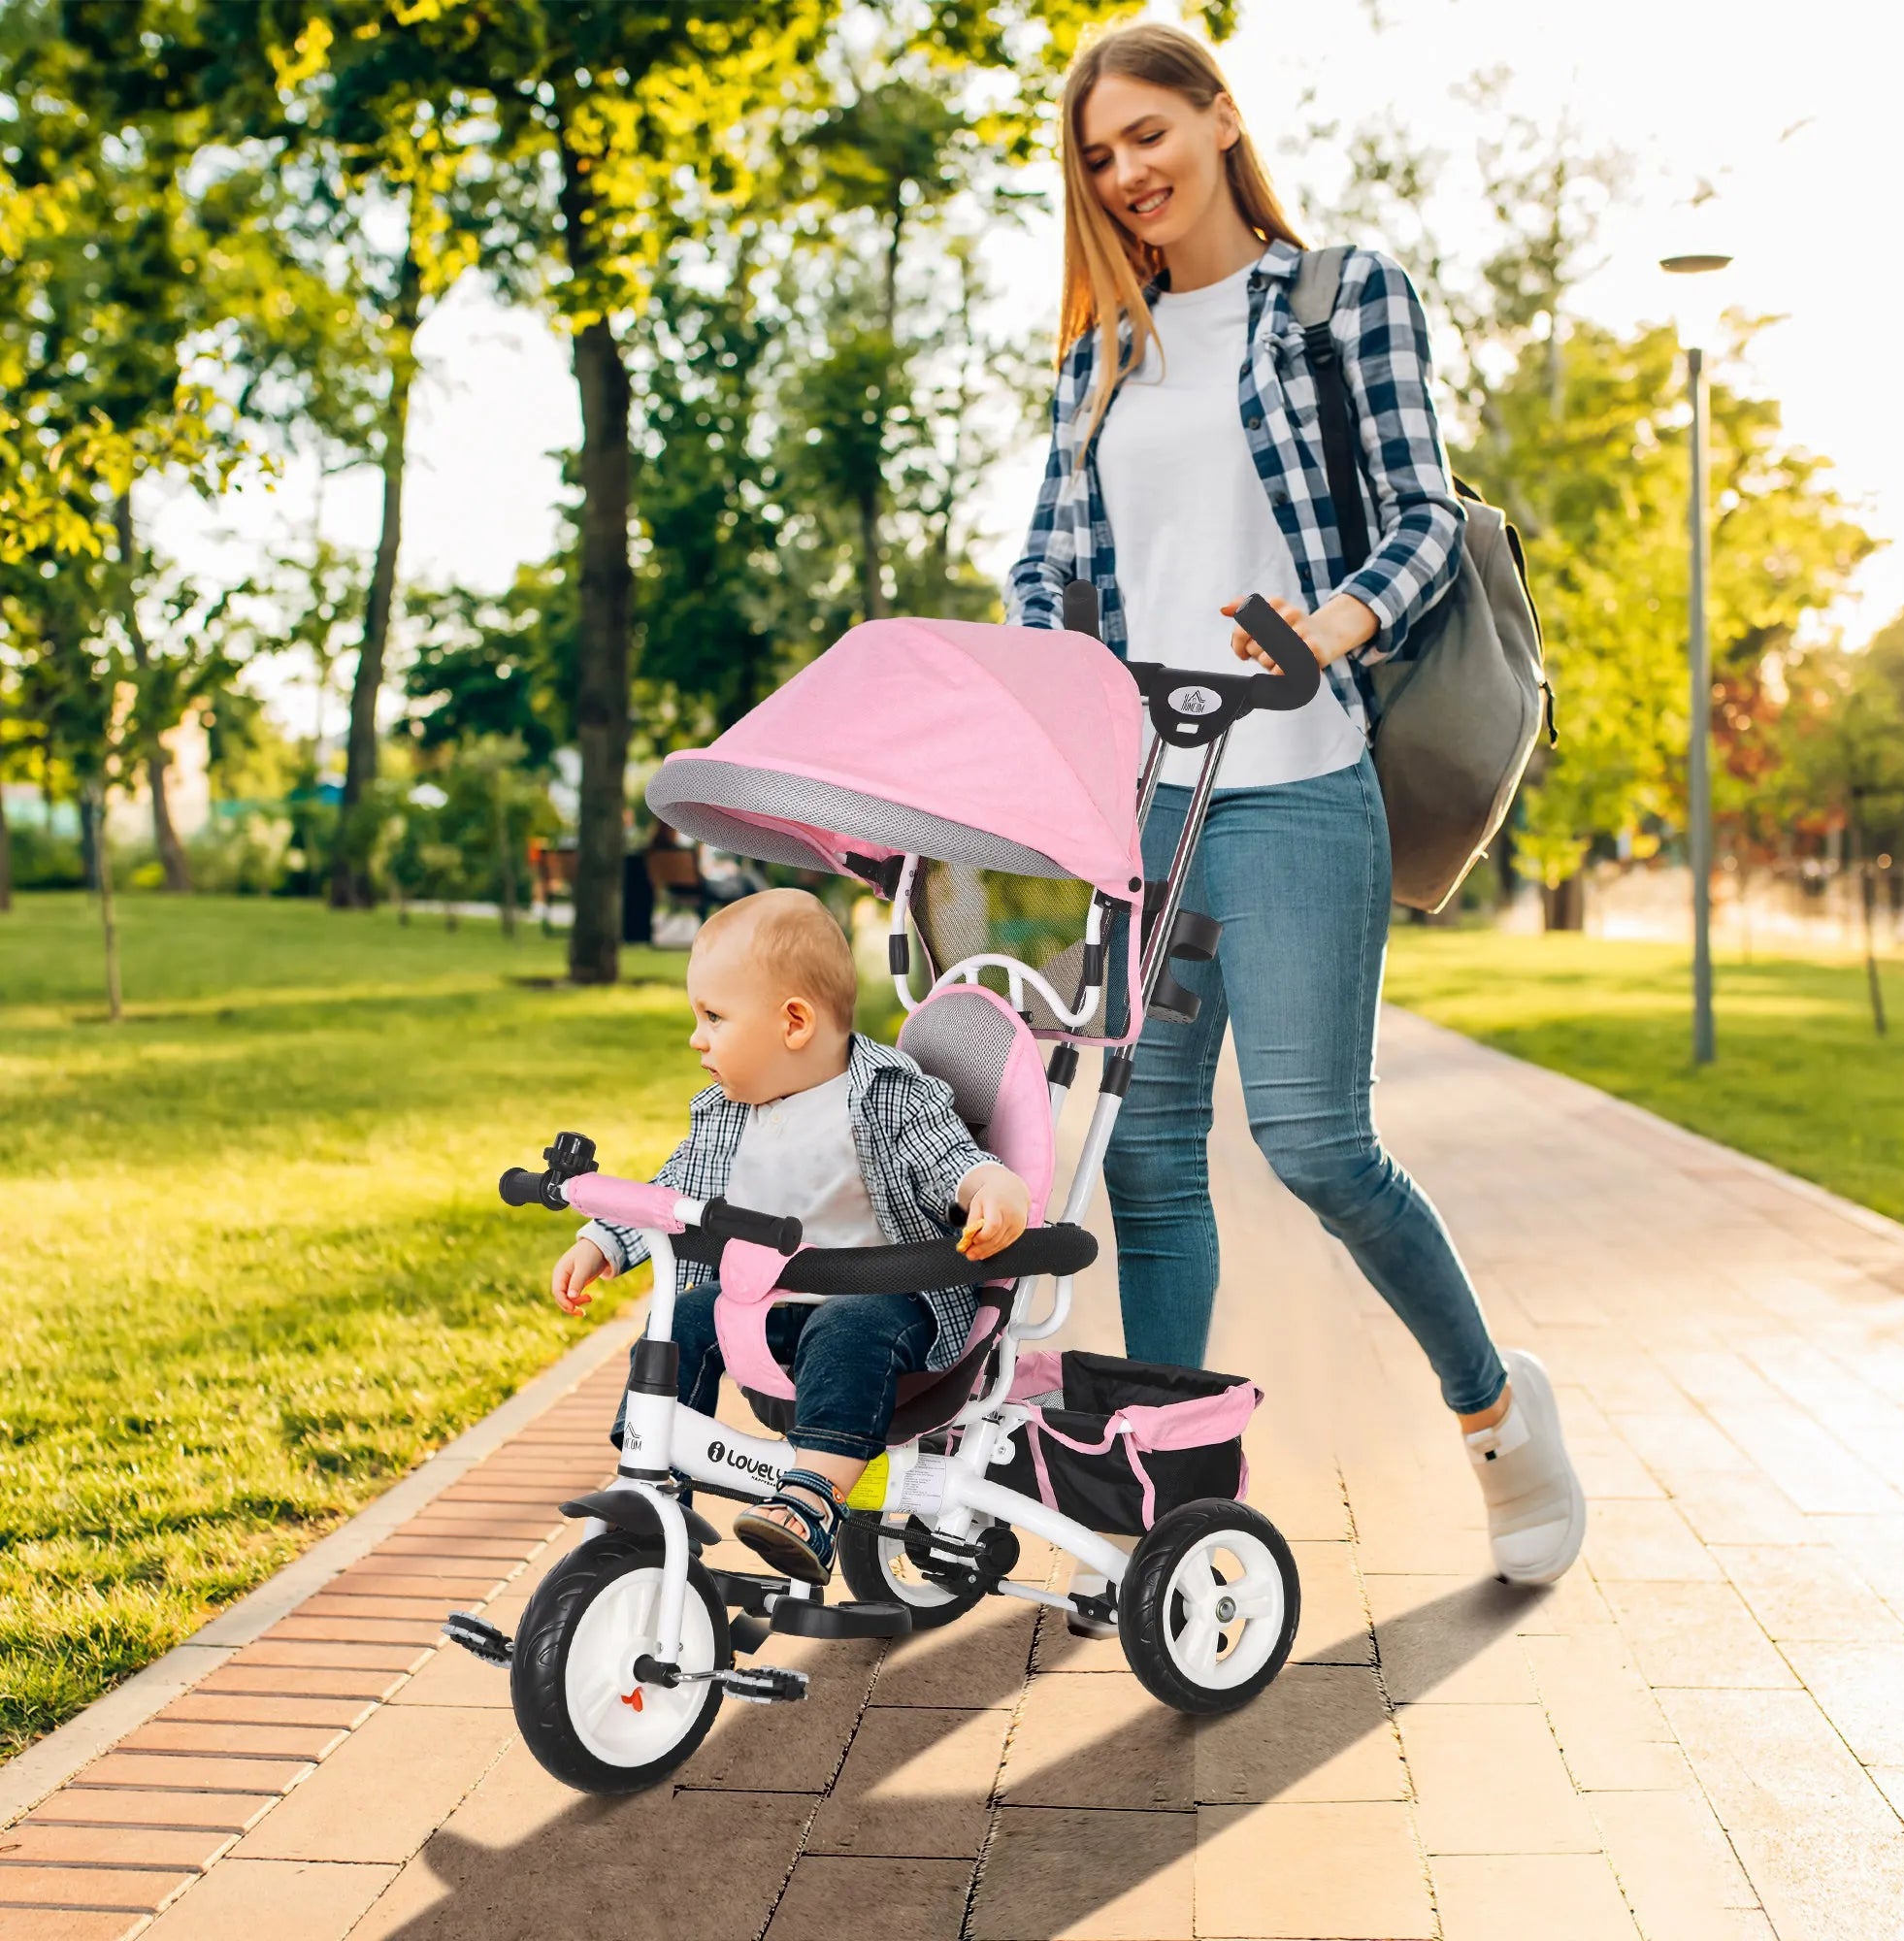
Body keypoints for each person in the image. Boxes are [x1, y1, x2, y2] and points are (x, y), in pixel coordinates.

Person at [1004, 21, 1583, 1586]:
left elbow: (1418, 515)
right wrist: (1037, 681)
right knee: (1146, 1154)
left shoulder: (1342, 301)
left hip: (1303, 778)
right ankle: (1170, 1498)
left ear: (1216, 116)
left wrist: (1330, 623)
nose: (1126, 174)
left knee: (1320, 1145)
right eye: (1098, 156)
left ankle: (1496, 1416)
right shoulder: (1097, 354)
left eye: (1146, 134)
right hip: (1145, 805)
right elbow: (1048, 561)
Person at [549, 888, 1031, 1583]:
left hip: (888, 1310)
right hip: (770, 1315)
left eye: (713, 1017)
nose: (696, 1038)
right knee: (683, 1317)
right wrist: (602, 1243)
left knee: (849, 1322)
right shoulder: (725, 1113)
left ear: (794, 1023)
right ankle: (647, 1480)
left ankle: (813, 1498)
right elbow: (671, 1193)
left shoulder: (889, 1096)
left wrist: (992, 1190)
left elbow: (951, 1160)